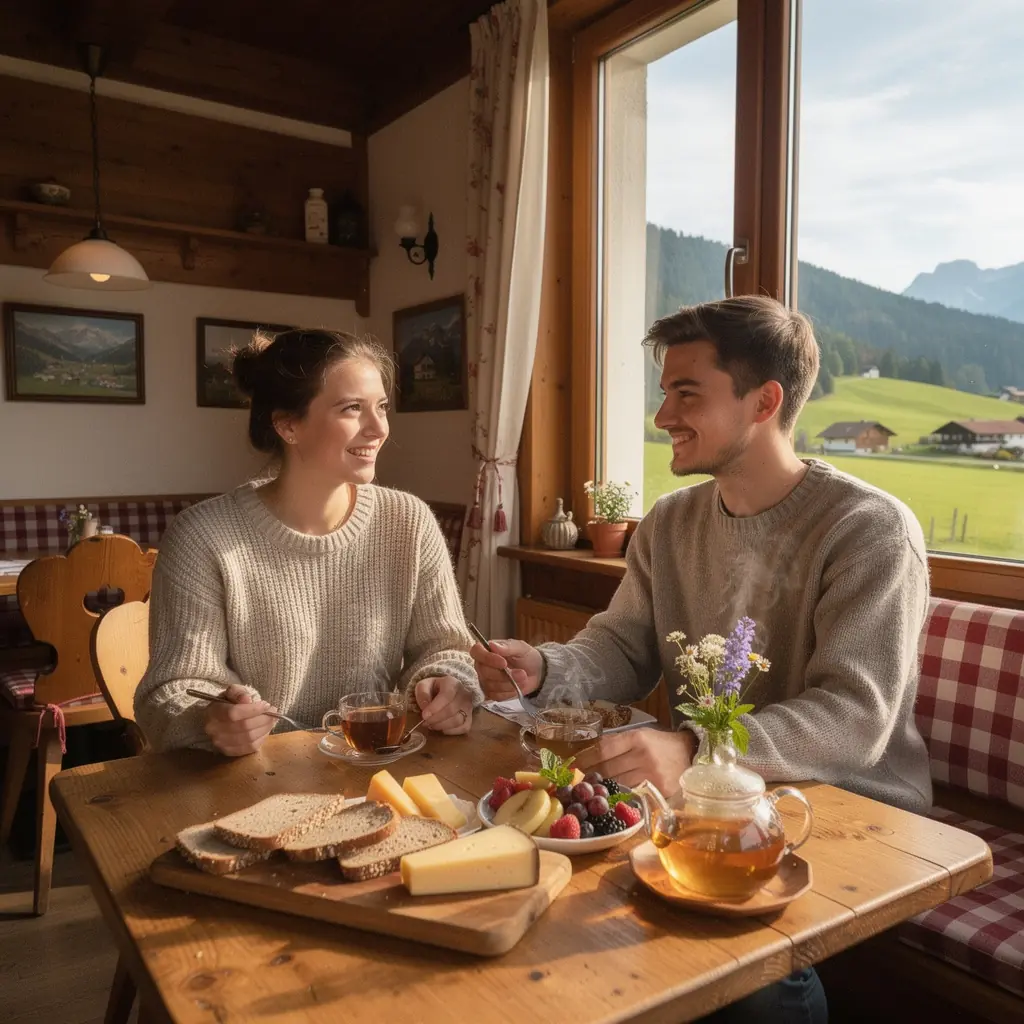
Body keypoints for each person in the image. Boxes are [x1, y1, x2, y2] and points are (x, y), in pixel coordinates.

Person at [473, 295, 934, 1023]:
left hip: (849, 814)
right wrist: (546, 667)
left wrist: (694, 749)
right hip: (712, 804)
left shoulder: (868, 530)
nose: (662, 416)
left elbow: (854, 717)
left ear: (765, 402)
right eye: (664, 393)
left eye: (687, 394)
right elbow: (623, 646)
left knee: (744, 987)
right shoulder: (669, 522)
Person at [136, 328, 481, 754]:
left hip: (373, 762)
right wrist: (207, 720)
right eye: (352, 408)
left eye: (381, 407)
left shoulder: (409, 523)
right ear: (288, 425)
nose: (378, 429)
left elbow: (445, 648)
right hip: (251, 776)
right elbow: (167, 694)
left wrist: (446, 683)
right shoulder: (201, 538)